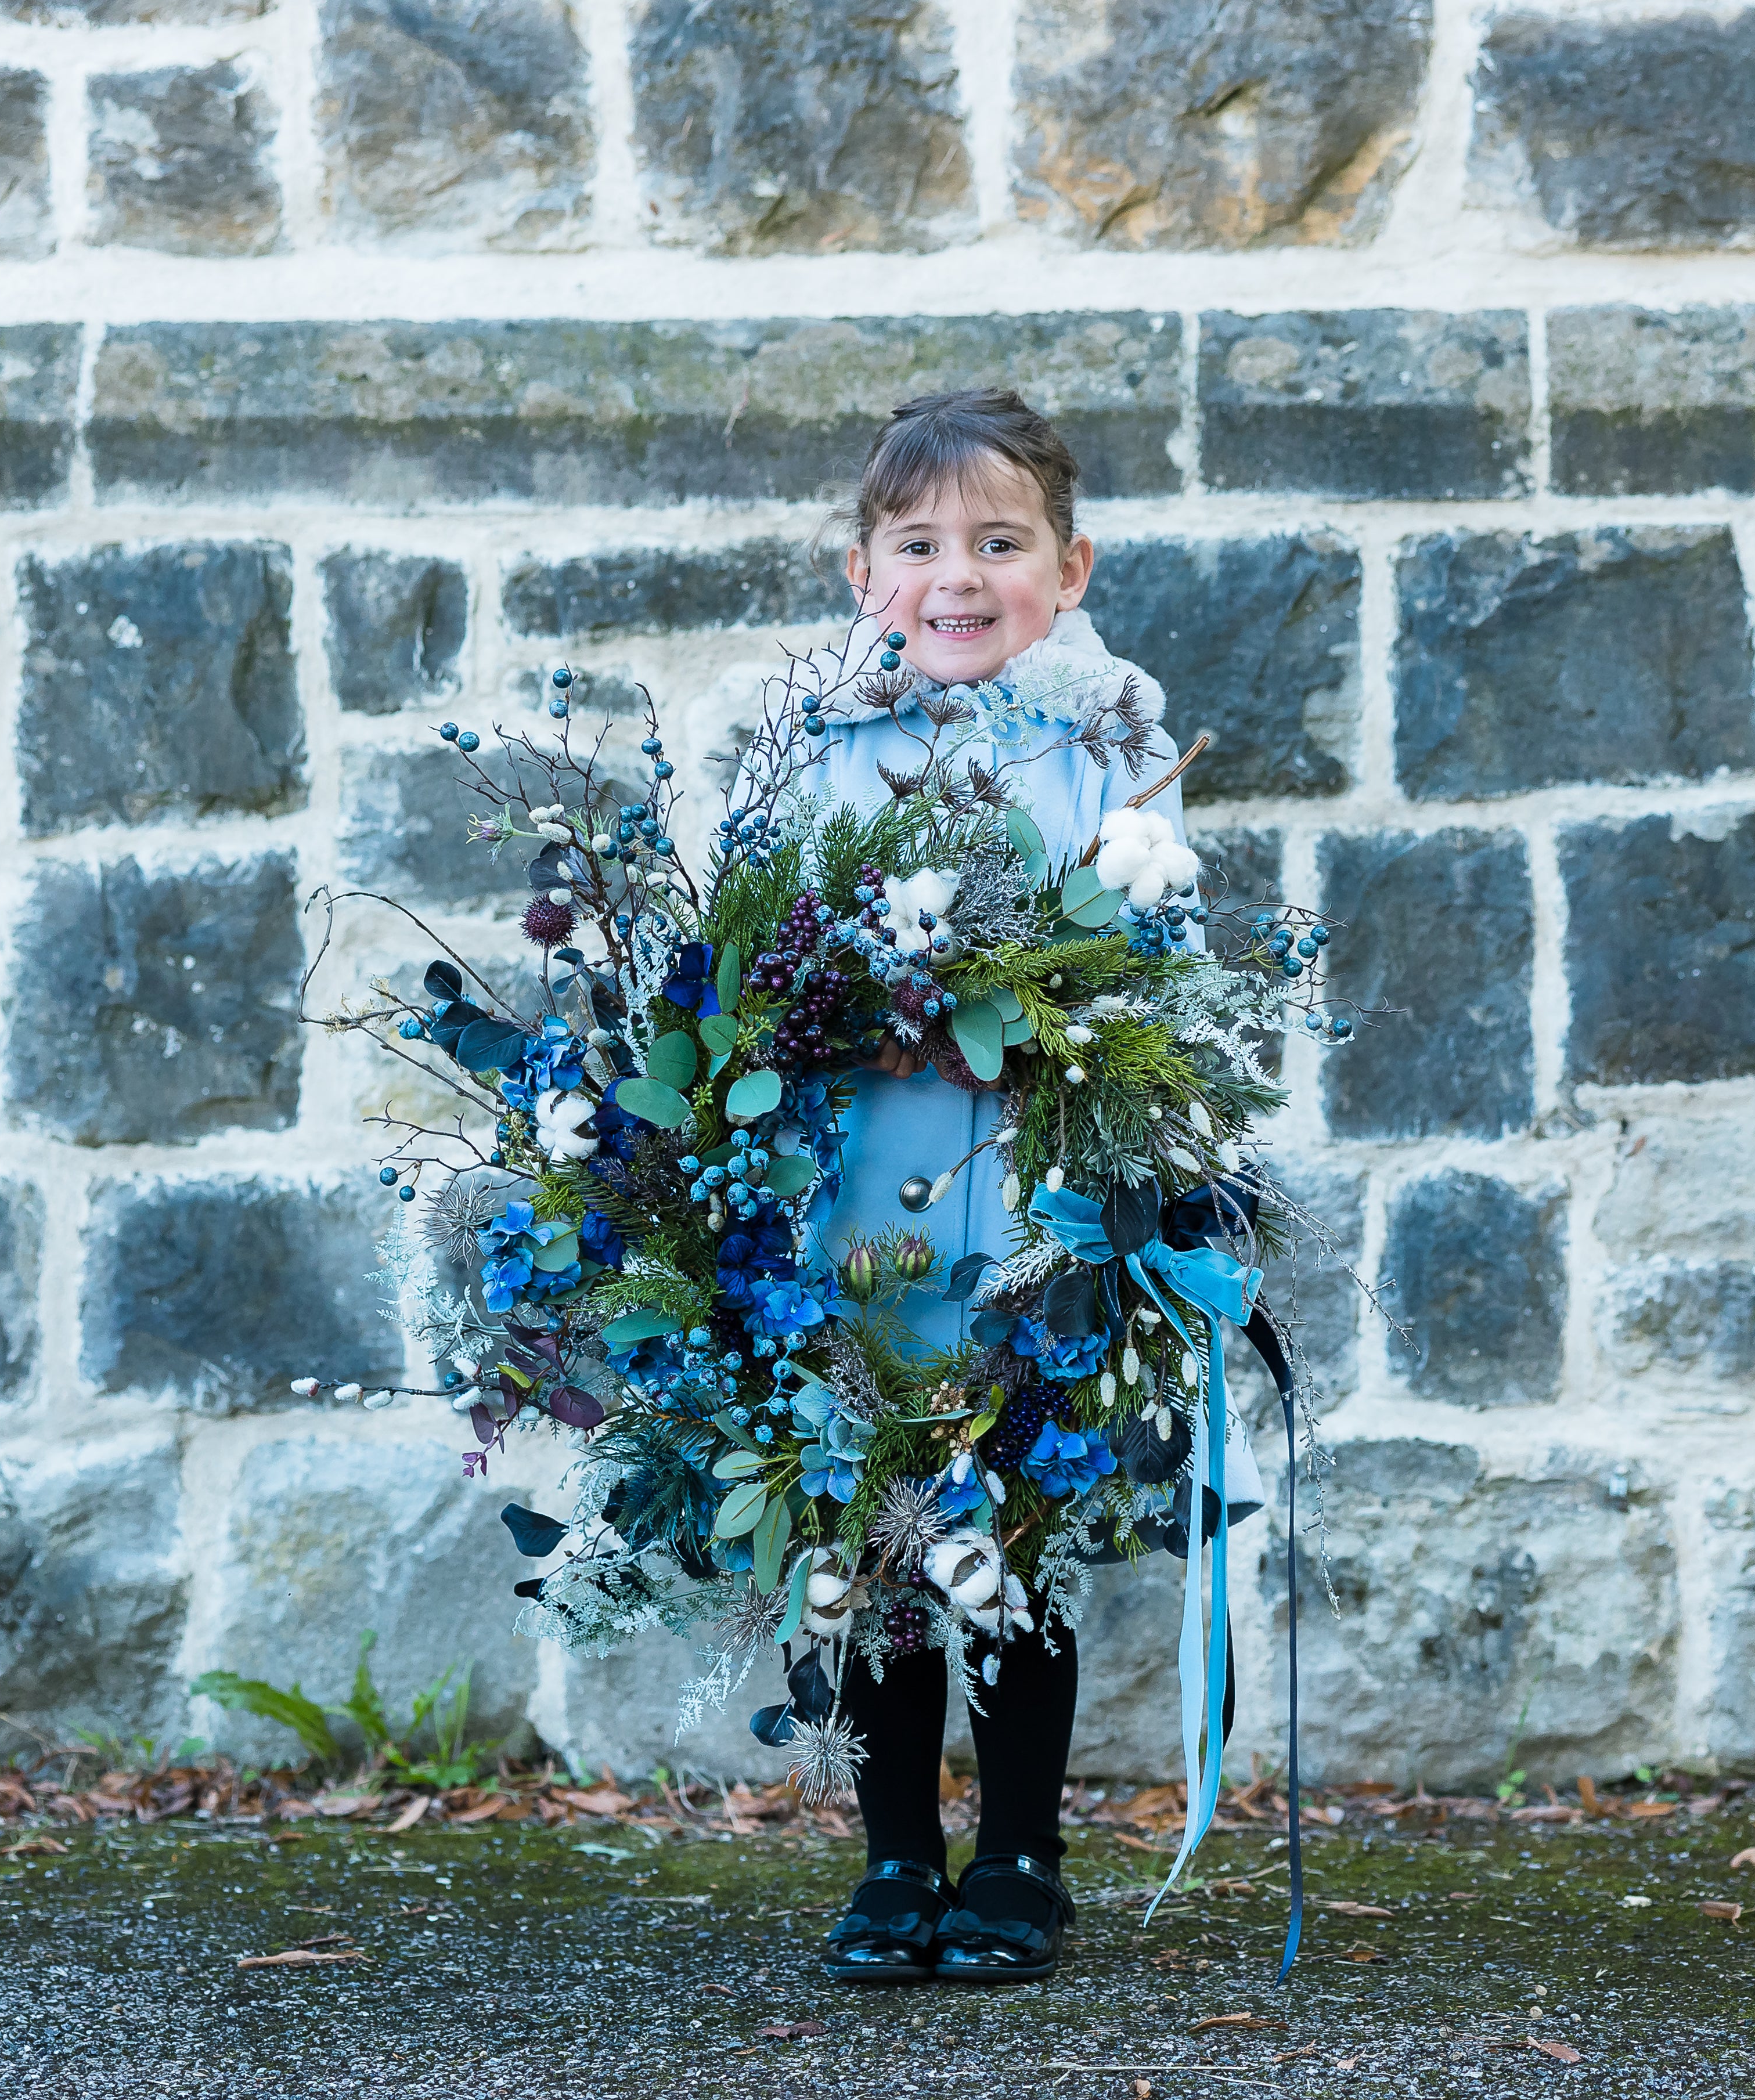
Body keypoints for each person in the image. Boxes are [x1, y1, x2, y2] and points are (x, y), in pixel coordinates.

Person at [803, 388, 1195, 1987]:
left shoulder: (1104, 746)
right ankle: (896, 1849)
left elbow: (1161, 958)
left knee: (1018, 1520)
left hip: (1035, 1216)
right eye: (917, 545)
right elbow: (740, 962)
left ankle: (1020, 1850)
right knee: (869, 1525)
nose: (955, 577)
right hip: (849, 1219)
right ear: (859, 573)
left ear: (1070, 567)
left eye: (997, 542)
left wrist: (1071, 1016)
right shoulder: (809, 750)